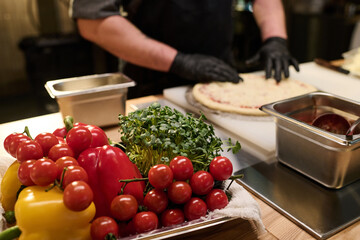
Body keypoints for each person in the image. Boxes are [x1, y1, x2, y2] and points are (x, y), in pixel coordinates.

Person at [70, 0, 299, 98]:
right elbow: (93, 22)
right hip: (154, 86)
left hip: (221, 78)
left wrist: (275, 38)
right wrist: (180, 61)